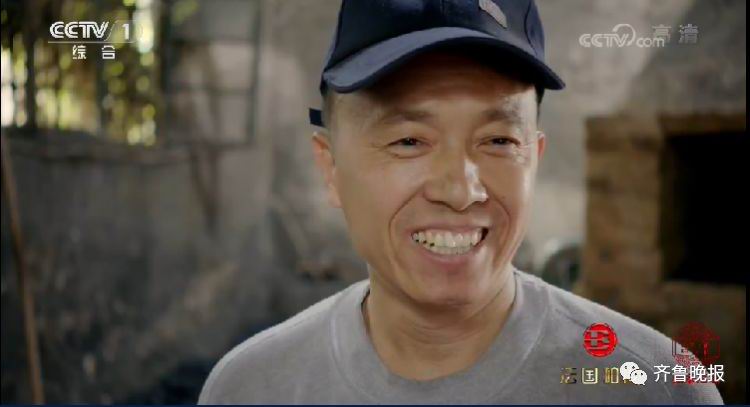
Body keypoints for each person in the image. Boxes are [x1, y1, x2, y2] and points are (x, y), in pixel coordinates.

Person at [198, 0, 723, 404]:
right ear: (330, 166)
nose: (460, 189)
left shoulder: (657, 389)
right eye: (409, 140)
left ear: (534, 158)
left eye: (498, 140)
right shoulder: (248, 388)